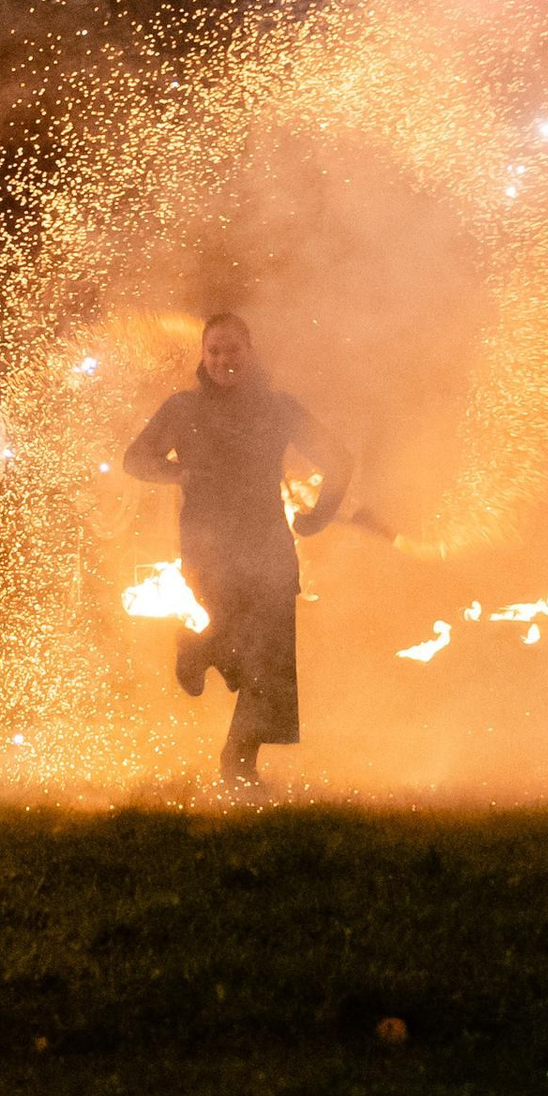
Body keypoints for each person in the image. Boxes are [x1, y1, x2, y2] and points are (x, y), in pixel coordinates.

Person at [121, 313, 352, 790]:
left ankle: (239, 763)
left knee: (266, 664)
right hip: (209, 549)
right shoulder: (183, 408)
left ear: (250, 353)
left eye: (233, 350)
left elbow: (339, 459)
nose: (225, 359)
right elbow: (135, 458)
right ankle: (196, 650)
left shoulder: (279, 408)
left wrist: (319, 516)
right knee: (223, 639)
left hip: (267, 547)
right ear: (204, 357)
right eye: (215, 351)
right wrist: (177, 474)